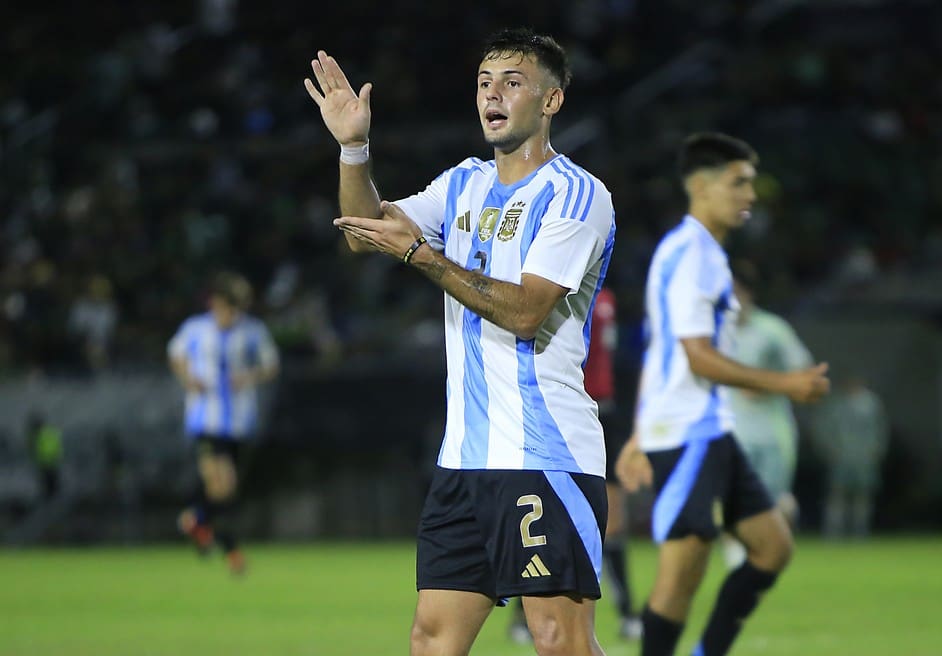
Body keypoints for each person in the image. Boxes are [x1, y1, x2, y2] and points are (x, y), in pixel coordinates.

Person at [305, 27, 615, 656]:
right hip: (465, 460)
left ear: (551, 101)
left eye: (512, 82)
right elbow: (363, 234)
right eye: (483, 82)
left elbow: (526, 312)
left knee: (559, 640)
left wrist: (421, 254)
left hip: (543, 454)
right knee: (432, 641)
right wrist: (355, 150)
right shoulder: (464, 183)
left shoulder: (576, 194)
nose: (491, 95)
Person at [615, 132, 830, 656]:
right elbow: (697, 356)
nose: (750, 196)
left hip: (707, 429)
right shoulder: (694, 255)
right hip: (690, 433)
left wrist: (639, 433)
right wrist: (787, 384)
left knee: (771, 547)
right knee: (680, 577)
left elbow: (661, 352)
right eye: (740, 183)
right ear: (703, 187)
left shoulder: (694, 250)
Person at [509, 286, 641, 644]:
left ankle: (628, 611)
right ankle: (524, 615)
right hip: (561, 410)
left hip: (601, 410)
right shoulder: (544, 290)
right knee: (544, 518)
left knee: (612, 522)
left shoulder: (605, 297)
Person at [167, 271, 280, 575]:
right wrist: (188, 378)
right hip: (205, 419)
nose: (228, 314)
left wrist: (248, 376)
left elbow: (270, 365)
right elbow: (175, 354)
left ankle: (197, 521)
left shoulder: (252, 331)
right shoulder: (195, 329)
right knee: (222, 484)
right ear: (215, 304)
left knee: (224, 491)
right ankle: (232, 552)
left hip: (240, 422)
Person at [720, 260, 814, 568]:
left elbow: (803, 370)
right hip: (733, 429)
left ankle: (769, 552)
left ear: (748, 293)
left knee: (775, 502)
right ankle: (737, 560)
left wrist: (767, 384)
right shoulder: (715, 331)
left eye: (737, 291)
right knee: (731, 496)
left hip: (773, 432)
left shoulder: (773, 330)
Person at [811, 374, 889, 539]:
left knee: (863, 496)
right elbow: (825, 430)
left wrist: (876, 451)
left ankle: (860, 531)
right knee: (837, 494)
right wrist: (829, 450)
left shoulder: (871, 403)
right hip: (842, 457)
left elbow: (880, 430)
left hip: (864, 457)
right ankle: (834, 532)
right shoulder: (836, 405)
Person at [26, 412, 63, 502]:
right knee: (53, 481)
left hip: (45, 462)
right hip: (53, 460)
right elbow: (57, 445)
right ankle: (55, 497)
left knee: (47, 483)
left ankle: (50, 498)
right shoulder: (51, 431)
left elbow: (33, 449)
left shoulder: (36, 435)